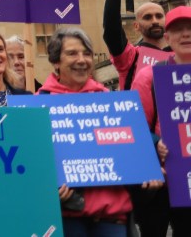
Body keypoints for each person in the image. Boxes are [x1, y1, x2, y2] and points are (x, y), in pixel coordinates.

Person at [38, 27, 161, 237]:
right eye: (72, 53)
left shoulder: (112, 101)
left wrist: (152, 161)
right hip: (66, 219)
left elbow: (132, 145)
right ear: (56, 61)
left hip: (112, 219)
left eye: (87, 53)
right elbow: (32, 168)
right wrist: (47, 191)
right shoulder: (37, 105)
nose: (81, 60)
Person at [129, 6, 191, 235]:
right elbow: (134, 127)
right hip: (160, 180)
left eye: (190, 29)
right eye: (178, 30)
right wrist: (156, 143)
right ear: (167, 38)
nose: (186, 35)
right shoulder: (149, 76)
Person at [102, 0, 171, 91]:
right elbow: (111, 28)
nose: (155, 21)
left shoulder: (179, 57)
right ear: (136, 26)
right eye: (147, 17)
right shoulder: (131, 57)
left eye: (159, 16)